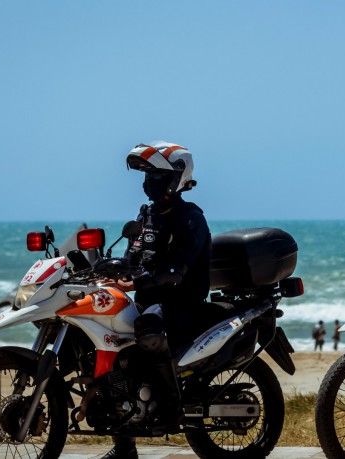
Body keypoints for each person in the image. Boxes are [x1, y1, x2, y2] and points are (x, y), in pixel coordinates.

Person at [101, 141, 211, 459]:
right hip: (149, 299)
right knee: (111, 341)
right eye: (146, 175)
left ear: (176, 177)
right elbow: (133, 256)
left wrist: (136, 281)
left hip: (181, 302)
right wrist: (110, 270)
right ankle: (124, 446)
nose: (148, 182)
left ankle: (173, 405)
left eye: (156, 175)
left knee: (149, 328)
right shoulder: (147, 215)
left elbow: (177, 270)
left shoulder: (191, 218)